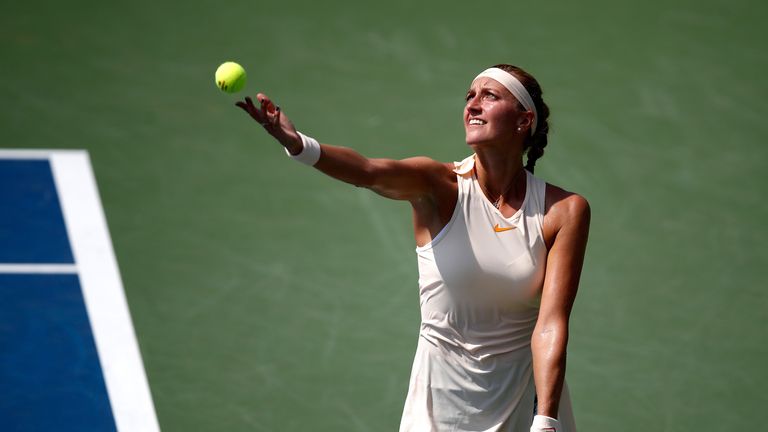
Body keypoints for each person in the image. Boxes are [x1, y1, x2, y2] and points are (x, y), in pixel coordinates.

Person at [236, 64, 590, 432]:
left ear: (523, 120)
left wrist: (546, 418)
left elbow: (551, 322)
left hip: (523, 403)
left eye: (490, 95)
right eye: (470, 96)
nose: (472, 105)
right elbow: (369, 172)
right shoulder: (437, 185)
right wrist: (300, 145)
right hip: (440, 407)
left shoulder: (563, 211)